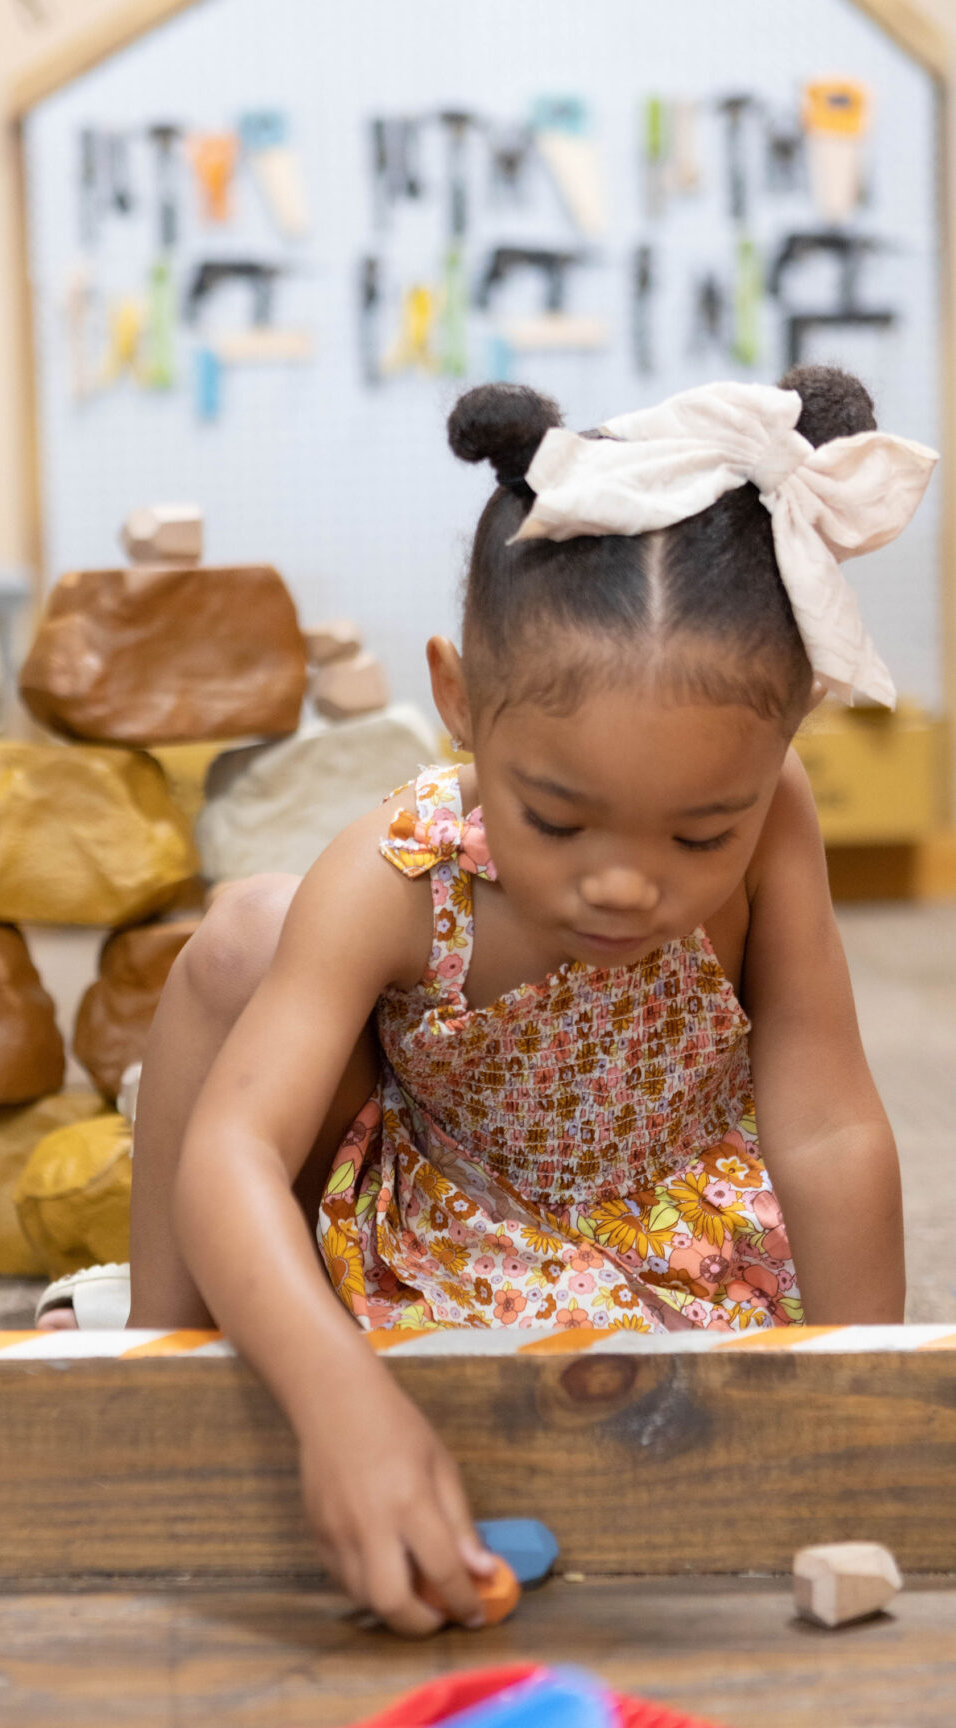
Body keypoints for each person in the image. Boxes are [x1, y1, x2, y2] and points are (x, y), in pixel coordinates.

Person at [56, 368, 937, 1636]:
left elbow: (830, 1122)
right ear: (461, 702)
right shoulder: (402, 867)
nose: (627, 881)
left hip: (679, 1228)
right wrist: (338, 1401)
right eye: (558, 817)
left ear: (781, 748)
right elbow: (234, 1149)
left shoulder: (777, 812)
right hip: (442, 1214)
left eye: (703, 831)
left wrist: (859, 1412)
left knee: (649, 1444)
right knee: (245, 935)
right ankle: (149, 1355)